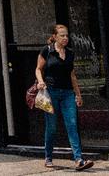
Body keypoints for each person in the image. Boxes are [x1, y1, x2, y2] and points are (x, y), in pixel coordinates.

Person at [36, 23, 93, 170]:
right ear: (54, 37)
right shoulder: (47, 51)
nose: (65, 38)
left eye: (67, 35)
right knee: (52, 127)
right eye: (62, 35)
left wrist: (78, 95)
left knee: (72, 124)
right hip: (51, 92)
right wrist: (41, 81)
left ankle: (78, 159)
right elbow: (38, 69)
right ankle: (48, 157)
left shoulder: (70, 53)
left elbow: (72, 75)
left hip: (68, 93)